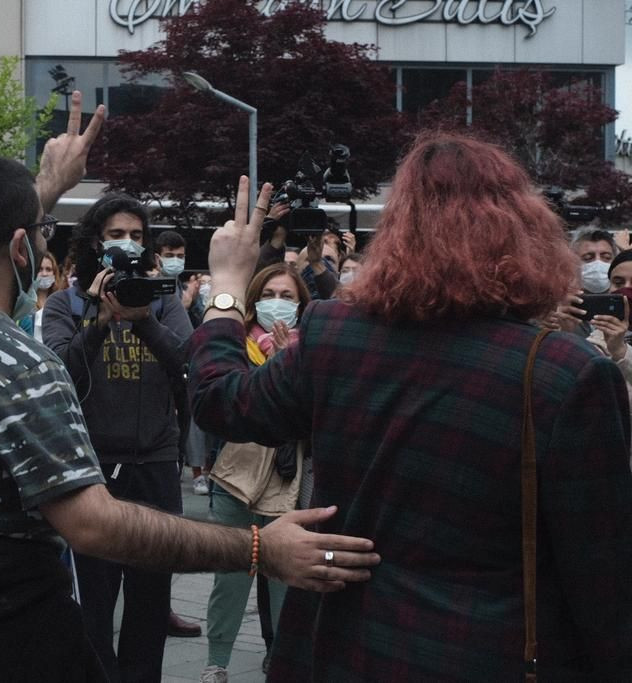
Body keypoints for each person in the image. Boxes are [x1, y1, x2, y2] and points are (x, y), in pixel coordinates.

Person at [0, 92, 380, 682]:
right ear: (22, 247)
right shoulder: (15, 359)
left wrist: (44, 185)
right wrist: (257, 549)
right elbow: (93, 524)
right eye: (38, 237)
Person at [188, 133, 632, 681]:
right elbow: (603, 580)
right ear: (524, 232)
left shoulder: (332, 335)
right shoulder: (564, 373)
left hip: (337, 649)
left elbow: (219, 399)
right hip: (483, 652)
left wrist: (227, 288)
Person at [42, 192, 195, 681]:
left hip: (154, 462)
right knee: (94, 603)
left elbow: (188, 365)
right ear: (95, 242)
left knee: (151, 603)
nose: (127, 244)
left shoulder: (163, 299)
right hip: (92, 470)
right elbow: (61, 373)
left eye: (135, 236)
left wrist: (144, 320)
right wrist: (99, 321)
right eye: (115, 235)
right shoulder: (67, 304)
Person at [199, 262, 311, 683]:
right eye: (269, 295)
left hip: (287, 480)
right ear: (253, 301)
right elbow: (224, 404)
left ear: (302, 306)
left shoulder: (312, 352)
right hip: (236, 478)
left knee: (286, 579)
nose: (277, 305)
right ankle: (216, 663)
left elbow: (311, 414)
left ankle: (283, 662)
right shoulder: (235, 347)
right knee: (230, 577)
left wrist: (289, 365)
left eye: (287, 297)